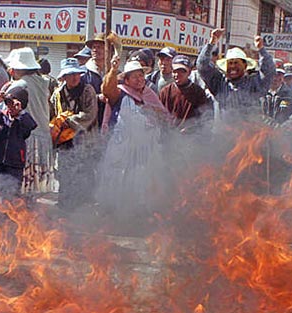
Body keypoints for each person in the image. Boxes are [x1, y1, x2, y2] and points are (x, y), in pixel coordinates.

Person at [97, 58, 171, 225]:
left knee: (140, 179)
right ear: (127, 80)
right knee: (118, 178)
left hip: (144, 150)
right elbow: (107, 89)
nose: (139, 79)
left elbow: (163, 115)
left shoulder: (148, 94)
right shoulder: (119, 92)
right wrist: (113, 69)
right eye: (134, 76)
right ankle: (115, 214)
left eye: (141, 75)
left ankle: (137, 213)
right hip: (121, 149)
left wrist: (151, 113)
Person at [5, 47, 56, 193]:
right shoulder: (42, 82)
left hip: (28, 136)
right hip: (43, 134)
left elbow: (6, 108)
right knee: (35, 181)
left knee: (23, 179)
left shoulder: (19, 85)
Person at [50, 58, 98, 209]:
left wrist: (69, 121)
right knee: (64, 174)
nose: (74, 77)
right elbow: (52, 114)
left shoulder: (87, 90)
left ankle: (82, 207)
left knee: (84, 174)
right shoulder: (57, 94)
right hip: (64, 143)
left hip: (85, 141)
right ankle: (65, 204)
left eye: (76, 74)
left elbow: (90, 115)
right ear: (64, 77)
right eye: (70, 74)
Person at [197, 28, 275, 112]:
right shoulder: (219, 83)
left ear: (245, 66)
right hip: (224, 124)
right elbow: (202, 66)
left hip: (250, 124)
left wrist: (261, 49)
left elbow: (269, 71)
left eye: (236, 63)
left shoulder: (254, 83)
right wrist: (211, 43)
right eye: (230, 63)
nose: (233, 66)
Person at [0, 86, 37, 196]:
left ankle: (8, 213)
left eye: (13, 103)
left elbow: (30, 126)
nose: (10, 106)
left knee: (11, 195)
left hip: (14, 165)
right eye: (7, 103)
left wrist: (20, 112)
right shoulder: (0, 118)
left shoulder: (23, 121)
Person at [159, 54, 209, 130]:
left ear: (189, 72)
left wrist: (192, 129)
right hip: (168, 136)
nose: (177, 74)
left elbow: (203, 117)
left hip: (190, 138)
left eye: (182, 71)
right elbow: (159, 115)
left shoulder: (198, 93)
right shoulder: (165, 92)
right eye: (174, 71)